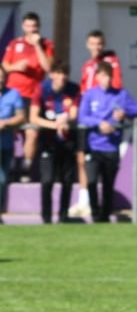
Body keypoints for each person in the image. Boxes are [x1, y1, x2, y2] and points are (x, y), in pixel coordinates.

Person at [78, 61, 137, 223]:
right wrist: (99, 123)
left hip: (112, 147)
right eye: (103, 76)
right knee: (91, 182)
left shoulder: (120, 95)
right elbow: (82, 117)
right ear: (98, 77)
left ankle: (104, 217)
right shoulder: (90, 95)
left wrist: (124, 112)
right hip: (93, 146)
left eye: (109, 76)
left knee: (108, 185)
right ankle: (94, 213)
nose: (106, 79)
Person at [71, 31, 122, 219]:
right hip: (88, 118)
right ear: (87, 44)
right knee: (81, 159)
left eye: (99, 43)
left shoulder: (110, 63)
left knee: (102, 166)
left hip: (102, 120)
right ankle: (84, 201)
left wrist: (112, 116)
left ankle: (101, 206)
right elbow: (83, 91)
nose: (96, 47)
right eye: (93, 43)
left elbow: (116, 88)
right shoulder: (87, 66)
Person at [2, 11, 54, 182]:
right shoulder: (15, 43)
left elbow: (48, 68)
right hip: (13, 95)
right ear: (23, 26)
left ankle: (26, 168)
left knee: (32, 133)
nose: (31, 29)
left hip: (34, 96)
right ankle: (7, 168)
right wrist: (16, 67)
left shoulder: (46, 44)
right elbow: (4, 66)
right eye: (28, 26)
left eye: (34, 26)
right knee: (8, 130)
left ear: (38, 27)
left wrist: (37, 45)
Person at [31, 60, 79, 224]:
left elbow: (74, 113)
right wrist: (53, 125)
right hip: (48, 142)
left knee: (67, 180)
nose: (62, 77)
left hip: (68, 141)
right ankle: (46, 217)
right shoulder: (41, 89)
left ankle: (63, 216)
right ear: (51, 74)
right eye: (58, 73)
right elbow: (33, 117)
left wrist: (66, 119)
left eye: (64, 73)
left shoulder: (73, 89)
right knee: (47, 180)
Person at [0, 66, 28, 222]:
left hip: (6, 144)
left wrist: (6, 122)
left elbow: (21, 117)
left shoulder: (13, 94)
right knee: (1, 179)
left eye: (2, 76)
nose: (0, 79)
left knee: (4, 178)